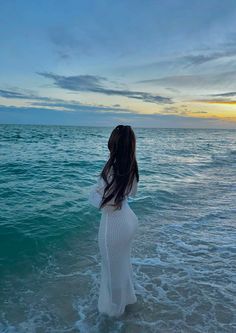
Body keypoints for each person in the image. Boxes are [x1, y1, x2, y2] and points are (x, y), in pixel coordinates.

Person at [88, 124, 139, 317]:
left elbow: (106, 205)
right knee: (122, 265)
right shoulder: (132, 167)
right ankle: (126, 301)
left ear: (114, 145)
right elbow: (132, 192)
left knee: (111, 270)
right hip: (129, 220)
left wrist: (91, 193)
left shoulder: (111, 169)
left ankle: (114, 315)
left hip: (114, 227)